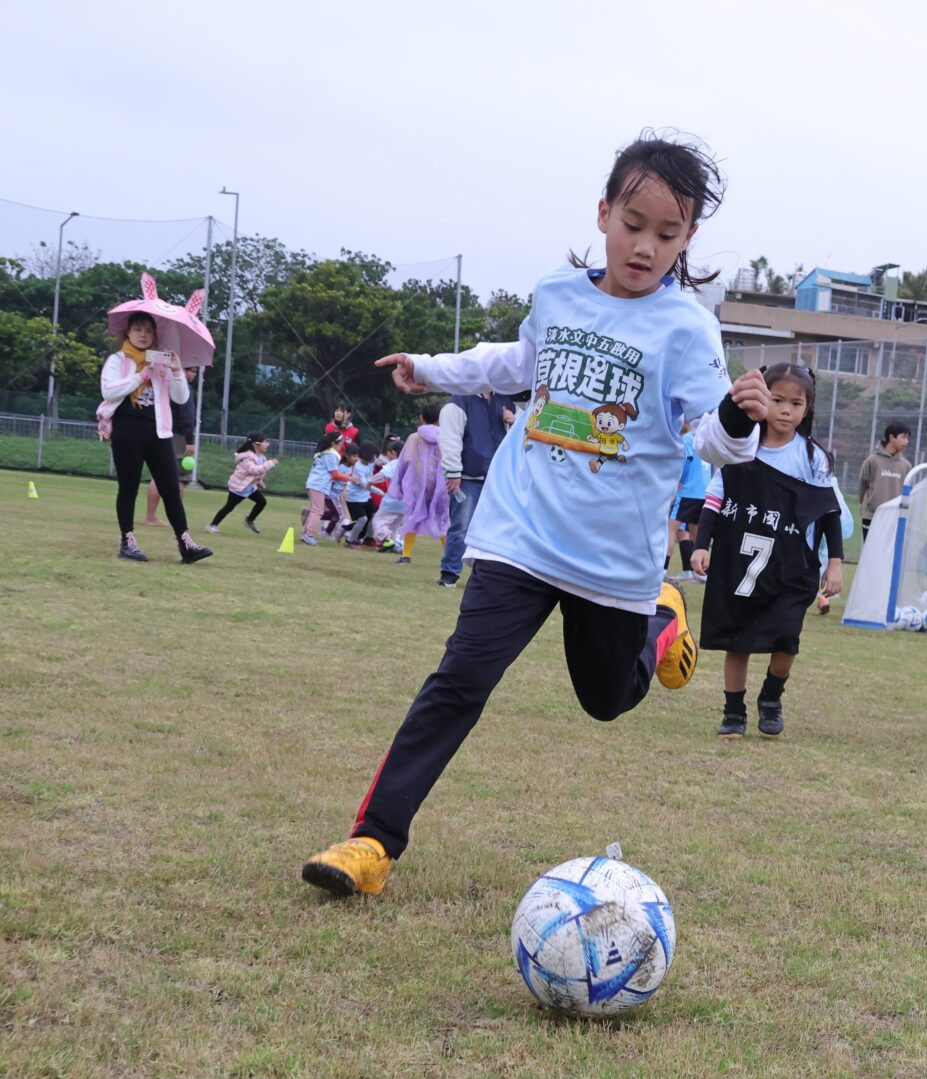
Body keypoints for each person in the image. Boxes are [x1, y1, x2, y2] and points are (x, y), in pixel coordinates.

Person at [301, 131, 767, 898]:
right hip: (518, 536)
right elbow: (516, 363)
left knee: (606, 701)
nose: (645, 246)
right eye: (633, 224)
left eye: (667, 233)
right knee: (459, 681)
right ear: (604, 213)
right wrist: (430, 369)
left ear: (686, 239)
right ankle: (372, 843)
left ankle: (661, 620)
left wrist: (740, 416)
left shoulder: (687, 329)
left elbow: (716, 443)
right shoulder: (558, 291)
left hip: (613, 560)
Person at [690, 363, 843, 739]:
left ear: (807, 409)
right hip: (740, 566)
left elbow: (829, 513)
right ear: (762, 400)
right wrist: (701, 546)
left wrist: (835, 562)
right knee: (737, 640)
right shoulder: (740, 446)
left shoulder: (813, 458)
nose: (786, 410)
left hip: (791, 568)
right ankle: (733, 712)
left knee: (787, 638)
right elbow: (714, 501)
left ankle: (771, 697)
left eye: (796, 403)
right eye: (777, 400)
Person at [98, 312, 212, 564]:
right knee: (128, 487)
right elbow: (109, 391)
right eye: (138, 329)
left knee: (171, 488)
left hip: (159, 433)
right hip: (127, 431)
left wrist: (177, 371)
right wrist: (141, 376)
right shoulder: (119, 360)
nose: (143, 335)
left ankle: (186, 544)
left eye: (149, 331)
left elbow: (180, 398)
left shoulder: (161, 361)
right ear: (128, 332)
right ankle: (127, 541)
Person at [438, 392, 515, 587]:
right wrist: (453, 471)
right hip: (467, 477)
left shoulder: (505, 400)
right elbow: (450, 437)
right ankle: (450, 572)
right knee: (461, 527)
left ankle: (486, 575)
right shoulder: (460, 400)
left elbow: (528, 428)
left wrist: (514, 420)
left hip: (496, 478)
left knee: (494, 531)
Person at [390, 403, 451, 565]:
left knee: (413, 516)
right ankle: (449, 557)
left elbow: (406, 460)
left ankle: (406, 555)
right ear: (440, 419)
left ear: (421, 418)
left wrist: (399, 484)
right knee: (443, 519)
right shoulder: (445, 437)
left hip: (417, 485)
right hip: (440, 485)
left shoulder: (414, 438)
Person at [143, 366, 198, 527]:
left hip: (161, 431)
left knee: (158, 475)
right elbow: (188, 416)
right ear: (183, 370)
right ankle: (175, 518)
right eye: (192, 370)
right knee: (180, 478)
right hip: (179, 436)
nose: (194, 374)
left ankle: (150, 516)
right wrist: (190, 440)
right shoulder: (183, 389)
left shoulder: (164, 385)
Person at [208, 433, 277, 534]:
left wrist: (259, 482)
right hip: (238, 487)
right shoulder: (248, 458)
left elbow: (256, 474)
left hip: (249, 487)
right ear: (255, 444)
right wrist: (270, 464)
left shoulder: (262, 458)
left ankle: (249, 520)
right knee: (229, 507)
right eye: (265, 442)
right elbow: (254, 470)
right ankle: (212, 525)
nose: (268, 444)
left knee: (262, 502)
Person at [670, 420, 710, 581]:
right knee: (688, 533)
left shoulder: (687, 438)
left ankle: (662, 570)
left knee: (669, 529)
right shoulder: (705, 439)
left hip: (689, 491)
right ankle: (695, 573)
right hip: (704, 492)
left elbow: (686, 460)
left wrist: (680, 481)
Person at [858, 422, 912, 540]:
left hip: (894, 517)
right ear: (891, 437)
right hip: (871, 516)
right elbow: (863, 485)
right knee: (871, 549)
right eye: (903, 437)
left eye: (907, 438)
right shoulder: (872, 461)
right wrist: (866, 506)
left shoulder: (906, 465)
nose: (906, 442)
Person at [299, 431, 348, 546]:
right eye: (340, 443)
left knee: (315, 510)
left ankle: (306, 533)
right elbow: (335, 474)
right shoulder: (331, 455)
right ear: (333, 443)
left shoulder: (324, 453)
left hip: (314, 484)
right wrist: (350, 478)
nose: (341, 446)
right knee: (318, 511)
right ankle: (309, 535)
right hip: (318, 485)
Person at [368, 438, 406, 552]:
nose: (387, 455)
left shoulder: (394, 464)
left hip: (393, 500)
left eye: (388, 453)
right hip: (406, 502)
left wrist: (369, 481)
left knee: (378, 520)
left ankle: (387, 539)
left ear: (393, 452)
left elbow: (382, 475)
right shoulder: (410, 464)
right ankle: (397, 545)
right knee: (395, 525)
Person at [343, 442, 378, 546]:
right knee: (363, 519)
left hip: (365, 497)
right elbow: (365, 485)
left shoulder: (370, 463)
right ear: (368, 455)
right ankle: (351, 541)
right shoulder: (358, 467)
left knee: (375, 515)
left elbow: (381, 459)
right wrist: (381, 492)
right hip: (354, 499)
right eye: (374, 455)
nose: (375, 457)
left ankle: (368, 538)